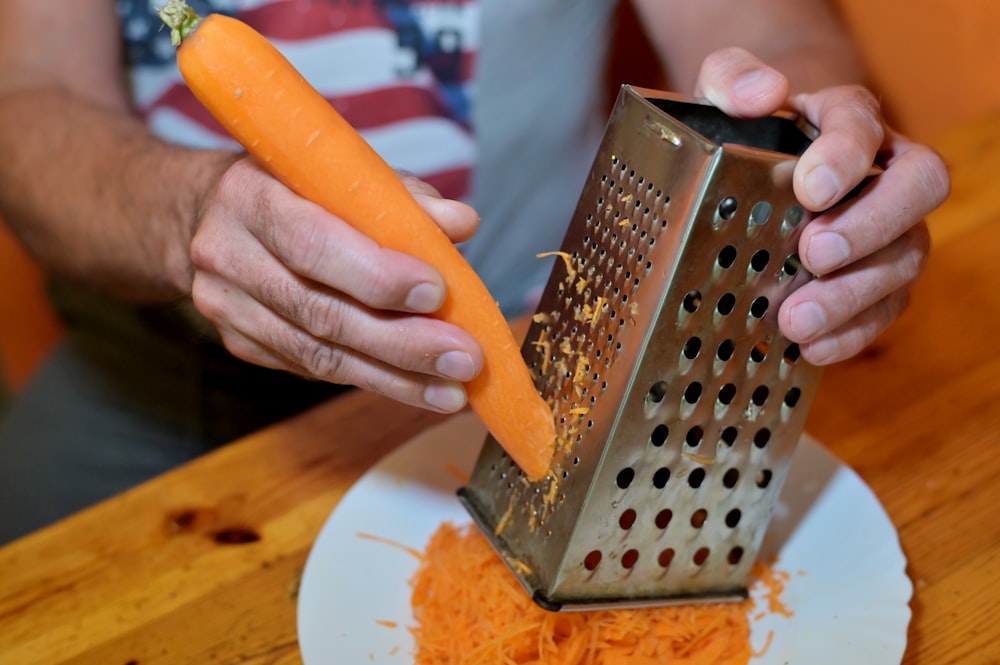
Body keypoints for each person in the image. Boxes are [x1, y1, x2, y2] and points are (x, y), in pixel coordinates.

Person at [0, 0, 948, 544]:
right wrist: (186, 216)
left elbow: (772, 30)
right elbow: (27, 101)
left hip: (570, 361)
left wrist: (807, 153)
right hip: (164, 378)